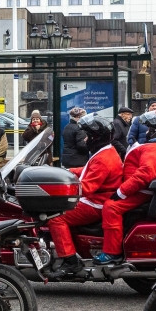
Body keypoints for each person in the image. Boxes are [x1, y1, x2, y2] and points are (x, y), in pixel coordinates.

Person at [95, 112, 156, 266]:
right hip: (138, 188)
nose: (147, 132)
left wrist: (121, 192)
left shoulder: (155, 149)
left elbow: (145, 173)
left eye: (150, 129)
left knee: (111, 207)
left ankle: (111, 253)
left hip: (138, 191)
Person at [47, 115, 123, 277]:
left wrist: (55, 189)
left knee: (55, 217)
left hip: (95, 202)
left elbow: (87, 187)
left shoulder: (103, 158)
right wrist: (64, 172)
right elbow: (87, 170)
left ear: (96, 137)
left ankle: (70, 262)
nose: (86, 139)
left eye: (88, 136)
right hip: (96, 199)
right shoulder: (106, 151)